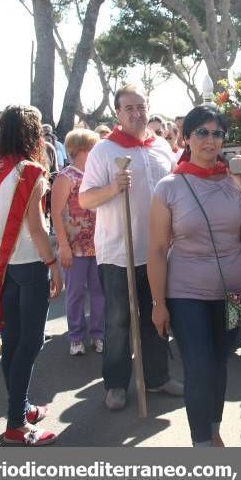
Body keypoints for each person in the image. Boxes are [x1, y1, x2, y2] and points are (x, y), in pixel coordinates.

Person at [148, 106, 241, 447]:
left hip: (236, 291)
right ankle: (202, 442)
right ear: (186, 137)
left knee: (219, 362)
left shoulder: (235, 180)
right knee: (200, 366)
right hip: (187, 293)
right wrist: (159, 303)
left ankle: (213, 427)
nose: (210, 140)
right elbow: (156, 249)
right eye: (202, 132)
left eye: (217, 133)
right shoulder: (168, 187)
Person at [80, 84, 183, 411]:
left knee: (157, 316)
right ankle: (115, 383)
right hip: (118, 253)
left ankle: (157, 377)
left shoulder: (162, 146)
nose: (137, 113)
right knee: (119, 321)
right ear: (118, 113)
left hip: (157, 251)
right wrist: (113, 187)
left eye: (141, 107)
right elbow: (85, 198)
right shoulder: (104, 151)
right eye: (129, 108)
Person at [0, 104, 63, 445]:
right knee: (30, 341)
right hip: (29, 263)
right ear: (31, 132)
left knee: (13, 340)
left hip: (3, 263)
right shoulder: (31, 170)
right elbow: (36, 228)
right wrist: (53, 264)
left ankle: (21, 406)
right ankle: (16, 423)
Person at [51, 129, 104, 357]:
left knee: (99, 292)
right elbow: (56, 213)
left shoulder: (98, 176)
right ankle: (75, 336)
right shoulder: (66, 177)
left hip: (99, 244)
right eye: (93, 148)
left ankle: (99, 334)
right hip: (74, 247)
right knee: (75, 293)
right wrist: (63, 246)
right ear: (81, 150)